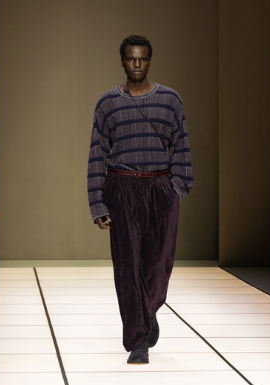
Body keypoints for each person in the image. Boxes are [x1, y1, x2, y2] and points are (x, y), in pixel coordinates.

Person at [87, 35, 193, 364]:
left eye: (142, 59)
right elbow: (96, 154)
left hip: (160, 188)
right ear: (122, 61)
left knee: (158, 265)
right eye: (131, 59)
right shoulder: (107, 103)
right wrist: (98, 204)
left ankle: (148, 311)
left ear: (149, 60)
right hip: (121, 188)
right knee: (128, 267)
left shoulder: (170, 100)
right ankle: (138, 340)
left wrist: (177, 188)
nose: (136, 64)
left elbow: (181, 146)